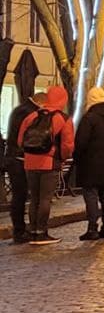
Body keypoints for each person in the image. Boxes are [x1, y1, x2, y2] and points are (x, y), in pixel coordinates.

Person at [19, 85, 74, 245]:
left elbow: (20, 140)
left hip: (30, 162)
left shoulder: (32, 116)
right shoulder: (63, 119)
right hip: (49, 163)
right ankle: (41, 232)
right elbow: (67, 145)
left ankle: (32, 230)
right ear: (63, 100)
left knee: (34, 198)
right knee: (45, 199)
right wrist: (62, 158)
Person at [74, 87, 104, 241]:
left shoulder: (89, 118)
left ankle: (92, 228)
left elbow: (81, 142)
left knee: (91, 195)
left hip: (89, 164)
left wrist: (77, 156)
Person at [4, 94, 37, 244]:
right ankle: (20, 230)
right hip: (19, 159)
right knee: (20, 196)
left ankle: (20, 229)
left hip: (12, 157)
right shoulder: (31, 113)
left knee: (19, 196)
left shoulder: (20, 109)